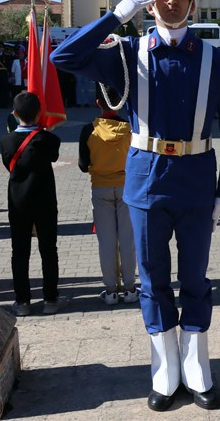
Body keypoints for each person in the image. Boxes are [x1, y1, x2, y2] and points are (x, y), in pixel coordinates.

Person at [51, 0, 220, 411]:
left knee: (195, 278)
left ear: (192, 5)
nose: (171, 2)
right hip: (145, 180)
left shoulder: (216, 61)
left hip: (197, 182)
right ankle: (164, 369)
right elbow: (64, 57)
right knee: (152, 280)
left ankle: (197, 366)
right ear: (150, 2)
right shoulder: (127, 51)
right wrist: (115, 17)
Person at [0, 92, 66, 316]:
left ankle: (22, 302)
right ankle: (50, 298)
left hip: (18, 202)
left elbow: (8, 163)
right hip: (45, 201)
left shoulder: (6, 141)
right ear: (40, 113)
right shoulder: (49, 139)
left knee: (19, 251)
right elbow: (54, 156)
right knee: (48, 250)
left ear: (15, 114)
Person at [78, 85, 137, 304]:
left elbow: (83, 165)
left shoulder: (89, 130)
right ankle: (131, 288)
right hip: (126, 186)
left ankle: (111, 290)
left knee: (106, 241)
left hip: (100, 187)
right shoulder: (130, 128)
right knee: (128, 240)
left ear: (98, 104)